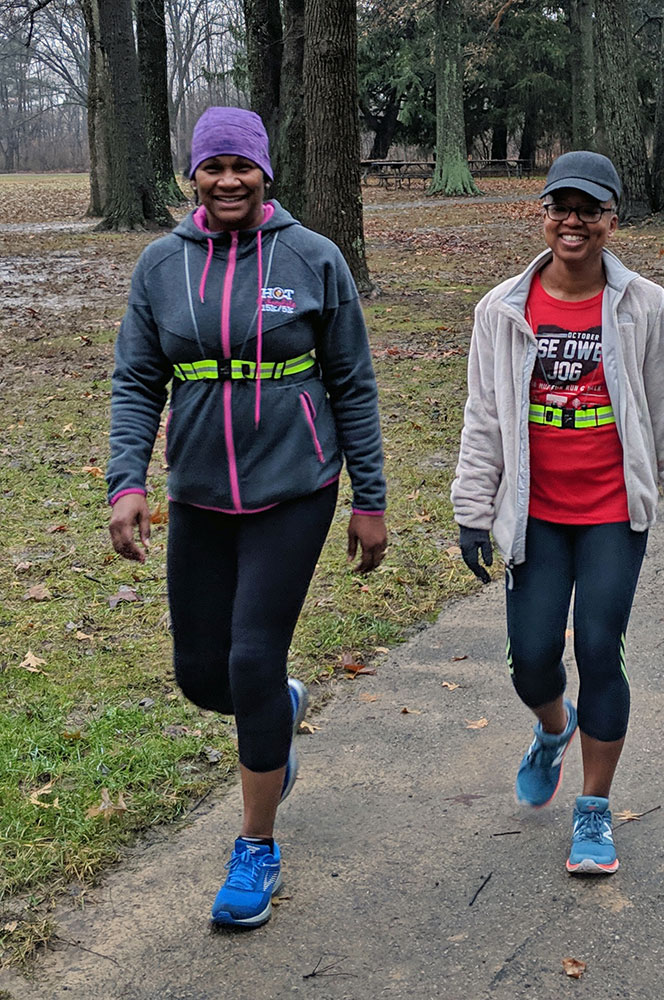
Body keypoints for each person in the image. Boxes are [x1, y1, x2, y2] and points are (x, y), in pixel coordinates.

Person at [107, 106, 387, 925]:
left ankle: (256, 847)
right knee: (204, 675)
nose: (228, 180)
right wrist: (128, 482)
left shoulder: (313, 257)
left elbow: (355, 385)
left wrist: (368, 498)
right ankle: (280, 709)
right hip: (198, 493)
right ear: (192, 176)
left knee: (253, 658)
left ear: (266, 173)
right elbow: (134, 382)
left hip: (295, 487)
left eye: (242, 166)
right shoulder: (161, 265)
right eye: (212, 166)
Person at [451, 151, 664, 875]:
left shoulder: (642, 305)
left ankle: (593, 810)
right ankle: (552, 730)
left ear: (612, 220)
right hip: (533, 515)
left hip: (609, 515)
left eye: (589, 209)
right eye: (561, 207)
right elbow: (484, 419)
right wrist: (473, 512)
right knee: (532, 663)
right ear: (542, 215)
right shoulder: (500, 309)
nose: (574, 221)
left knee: (600, 649)